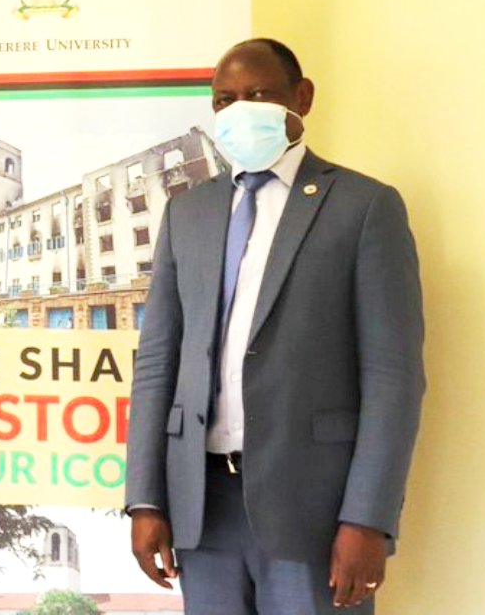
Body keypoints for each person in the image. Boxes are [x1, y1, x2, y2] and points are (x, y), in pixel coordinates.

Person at [125, 38, 425, 613]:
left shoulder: (363, 207)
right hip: (202, 506)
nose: (240, 110)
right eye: (224, 100)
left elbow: (394, 378)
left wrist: (368, 517)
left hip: (314, 510)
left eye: (259, 94)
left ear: (301, 98)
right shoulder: (187, 213)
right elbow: (158, 361)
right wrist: (145, 498)